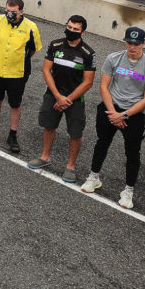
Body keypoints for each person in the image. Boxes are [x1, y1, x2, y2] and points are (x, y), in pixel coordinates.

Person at [80, 27, 145, 210]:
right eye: (129, 43)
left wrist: (124, 115)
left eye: (136, 43)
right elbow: (103, 86)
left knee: (132, 153)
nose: (132, 47)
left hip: (132, 114)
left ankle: (128, 190)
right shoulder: (113, 58)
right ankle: (93, 177)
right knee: (102, 143)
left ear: (143, 44)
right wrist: (113, 113)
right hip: (111, 109)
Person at [28, 15, 96, 183]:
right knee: (49, 126)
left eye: (75, 29)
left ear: (83, 32)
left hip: (75, 99)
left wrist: (68, 99)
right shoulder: (55, 45)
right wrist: (58, 96)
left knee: (75, 133)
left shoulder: (88, 53)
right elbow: (46, 71)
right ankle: (45, 157)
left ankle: (70, 166)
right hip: (54, 94)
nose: (71, 31)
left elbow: (88, 82)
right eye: (69, 27)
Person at [0, 0, 42, 153]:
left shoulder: (31, 27)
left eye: (13, 12)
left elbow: (33, 49)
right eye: (8, 11)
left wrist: (18, 57)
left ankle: (13, 135)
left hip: (17, 73)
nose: (9, 14)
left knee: (15, 104)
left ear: (21, 11)